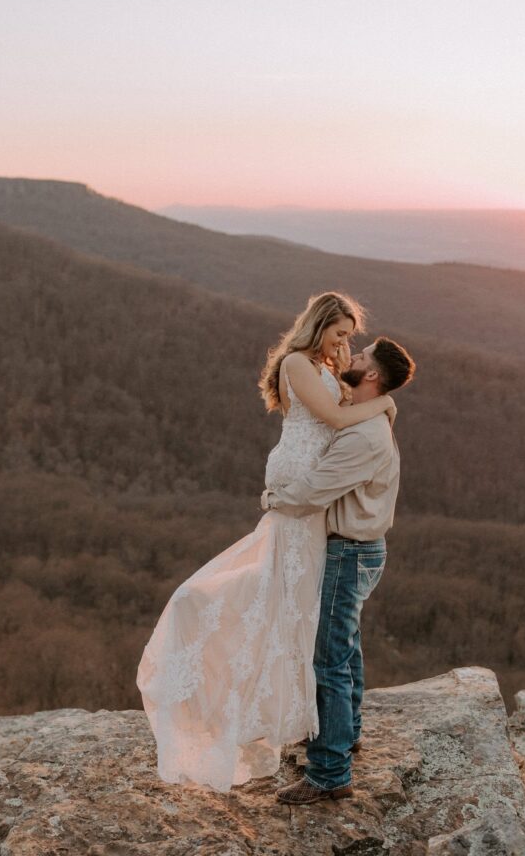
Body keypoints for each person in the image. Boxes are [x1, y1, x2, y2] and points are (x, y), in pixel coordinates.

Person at [136, 292, 396, 792]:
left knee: (313, 614)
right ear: (318, 325)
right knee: (293, 605)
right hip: (300, 492)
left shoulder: (321, 364)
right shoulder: (298, 362)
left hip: (314, 499)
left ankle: (330, 732)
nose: (346, 344)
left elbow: (342, 408)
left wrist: (348, 378)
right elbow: (340, 419)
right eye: (340, 334)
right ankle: (310, 733)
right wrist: (384, 401)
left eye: (351, 339)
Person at [262, 336, 416, 805]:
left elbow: (314, 491)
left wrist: (273, 500)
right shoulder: (368, 420)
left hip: (350, 552)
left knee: (327, 660)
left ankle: (329, 773)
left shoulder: (364, 436)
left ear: (371, 376)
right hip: (360, 549)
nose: (352, 356)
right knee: (344, 650)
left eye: (362, 355)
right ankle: (346, 735)